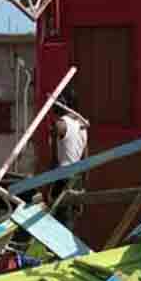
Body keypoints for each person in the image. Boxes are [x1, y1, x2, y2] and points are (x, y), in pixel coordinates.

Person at [46, 94, 89, 226]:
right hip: (76, 180)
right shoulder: (82, 126)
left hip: (62, 178)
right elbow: (85, 160)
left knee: (60, 225)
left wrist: (48, 187)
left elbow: (54, 160)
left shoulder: (60, 124)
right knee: (70, 222)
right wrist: (83, 188)